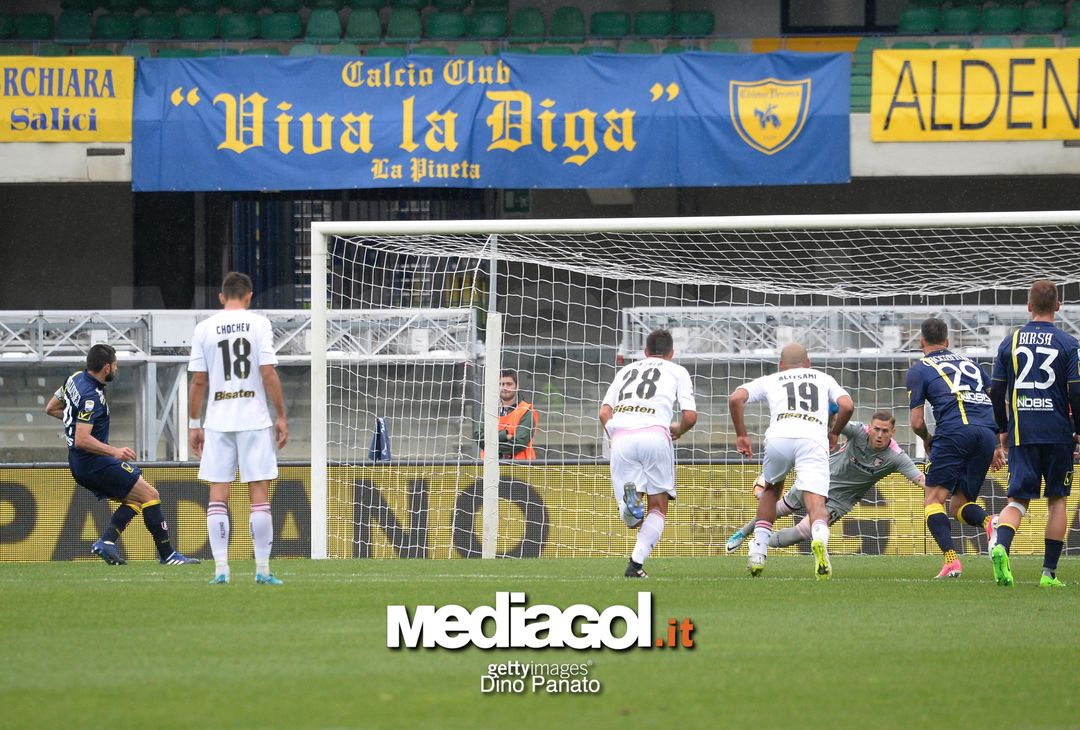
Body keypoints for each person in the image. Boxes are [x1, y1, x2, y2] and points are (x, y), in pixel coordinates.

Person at [45, 344, 199, 566]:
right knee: (150, 494)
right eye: (115, 365)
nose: (117, 369)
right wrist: (114, 451)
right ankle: (168, 555)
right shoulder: (92, 397)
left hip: (82, 462)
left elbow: (51, 408)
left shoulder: (75, 379)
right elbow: (82, 439)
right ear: (106, 367)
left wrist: (76, 422)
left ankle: (107, 542)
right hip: (93, 462)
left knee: (136, 498)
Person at [188, 272, 288, 586]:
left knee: (218, 495)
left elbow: (198, 381)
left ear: (221, 297)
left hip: (218, 421)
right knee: (259, 496)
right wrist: (281, 415)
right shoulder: (259, 324)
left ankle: (221, 569)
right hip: (254, 419)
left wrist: (194, 424)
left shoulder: (204, 328)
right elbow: (267, 372)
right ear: (249, 296)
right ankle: (262, 570)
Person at [729, 343, 854, 579]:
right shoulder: (823, 377)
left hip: (779, 436)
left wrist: (742, 435)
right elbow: (847, 405)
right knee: (815, 501)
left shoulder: (772, 379)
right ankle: (819, 541)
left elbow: (736, 398)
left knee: (770, 491)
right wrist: (835, 432)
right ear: (808, 362)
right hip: (812, 437)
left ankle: (758, 552)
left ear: (781, 364)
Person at [725, 412, 926, 552]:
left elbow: (920, 479)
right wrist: (830, 412)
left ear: (893, 432)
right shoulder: (858, 431)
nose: (880, 435)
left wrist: (945, 486)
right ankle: (741, 534)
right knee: (777, 510)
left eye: (885, 431)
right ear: (869, 428)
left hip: (841, 500)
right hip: (818, 479)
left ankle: (760, 543)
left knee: (803, 532)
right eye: (876, 429)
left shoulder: (897, 457)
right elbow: (835, 423)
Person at [988, 280, 1080, 588]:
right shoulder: (1069, 343)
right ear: (1057, 306)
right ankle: (1048, 574)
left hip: (1022, 432)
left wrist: (1002, 430)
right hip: (1057, 433)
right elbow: (1076, 392)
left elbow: (996, 390)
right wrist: (1078, 430)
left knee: (1018, 500)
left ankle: (1001, 545)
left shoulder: (1010, 342)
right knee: (1057, 501)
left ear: (1029, 306)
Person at [906, 317, 1003, 579]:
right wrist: (996, 444)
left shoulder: (920, 368)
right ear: (948, 342)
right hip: (984, 433)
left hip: (954, 430)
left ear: (921, 342)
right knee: (959, 504)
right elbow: (995, 403)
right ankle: (990, 522)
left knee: (933, 500)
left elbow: (916, 422)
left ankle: (951, 561)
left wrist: (927, 438)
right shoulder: (972, 364)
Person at [599, 328, 697, 578]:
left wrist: (615, 436)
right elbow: (690, 416)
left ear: (645, 352)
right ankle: (635, 565)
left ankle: (629, 506)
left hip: (621, 435)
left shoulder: (626, 370)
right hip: (655, 434)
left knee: (631, 517)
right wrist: (679, 430)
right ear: (671, 353)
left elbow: (603, 413)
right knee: (658, 508)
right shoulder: (678, 371)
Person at [477, 369, 539, 460]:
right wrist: (505, 435)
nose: (505, 387)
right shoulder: (488, 410)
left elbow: (519, 443)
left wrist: (492, 447)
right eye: (501, 384)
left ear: (517, 386)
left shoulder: (526, 410)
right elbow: (480, 438)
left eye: (509, 384)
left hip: (520, 469)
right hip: (490, 468)